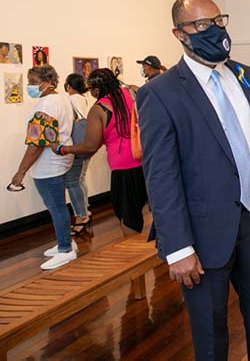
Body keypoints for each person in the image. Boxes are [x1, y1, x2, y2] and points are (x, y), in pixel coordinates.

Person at [136, 0, 250, 361]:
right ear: (179, 34)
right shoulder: (160, 93)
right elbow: (161, 175)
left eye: (219, 21)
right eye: (202, 25)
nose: (215, 30)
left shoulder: (243, 74)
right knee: (210, 334)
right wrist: (178, 247)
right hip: (202, 234)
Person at [55, 68, 148, 236]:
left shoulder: (99, 109)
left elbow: (91, 145)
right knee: (150, 208)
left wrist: (63, 149)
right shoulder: (133, 91)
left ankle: (134, 249)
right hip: (147, 159)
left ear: (96, 90)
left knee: (128, 215)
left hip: (123, 167)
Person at [9, 65, 77, 269]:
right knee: (59, 206)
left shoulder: (45, 106)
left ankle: (66, 249)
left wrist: (20, 171)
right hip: (61, 160)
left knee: (56, 208)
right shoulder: (62, 99)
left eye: (33, 82)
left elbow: (36, 144)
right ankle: (66, 242)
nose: (29, 86)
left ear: (47, 83)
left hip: (49, 166)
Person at [63, 73, 91, 235]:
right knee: (80, 179)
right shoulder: (83, 99)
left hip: (76, 145)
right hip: (86, 143)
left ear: (68, 86)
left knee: (72, 181)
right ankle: (85, 210)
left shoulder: (70, 100)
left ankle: (81, 216)